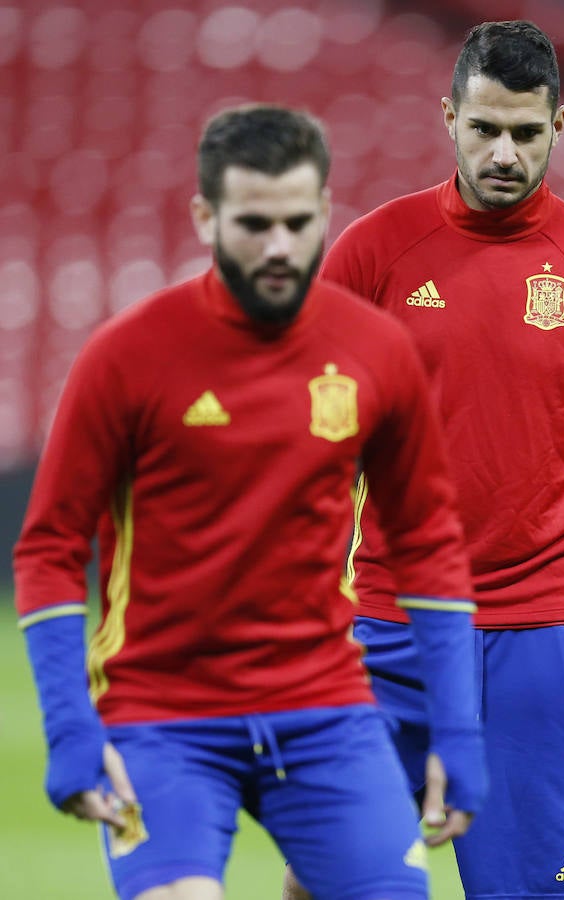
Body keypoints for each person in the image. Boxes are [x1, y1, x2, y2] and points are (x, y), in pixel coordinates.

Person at [13, 104, 489, 900]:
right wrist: (69, 728)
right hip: (160, 714)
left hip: (324, 707)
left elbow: (427, 543)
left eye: (298, 223)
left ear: (325, 211)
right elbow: (49, 549)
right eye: (254, 224)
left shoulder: (375, 350)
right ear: (206, 216)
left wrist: (458, 731)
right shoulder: (125, 357)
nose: (279, 246)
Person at [282, 19, 564, 900]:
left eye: (526, 132)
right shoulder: (372, 254)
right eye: (484, 128)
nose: (504, 152)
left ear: (560, 125)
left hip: (536, 636)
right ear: (449, 118)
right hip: (388, 625)